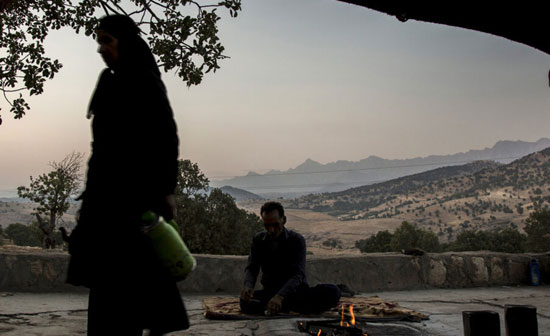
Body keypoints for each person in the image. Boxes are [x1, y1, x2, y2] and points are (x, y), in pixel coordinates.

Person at [65, 14, 188, 335]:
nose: (100, 49)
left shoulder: (145, 80)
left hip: (135, 202)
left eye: (107, 40)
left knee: (133, 289)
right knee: (108, 293)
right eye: (98, 42)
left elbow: (167, 138)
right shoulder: (109, 81)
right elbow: (100, 148)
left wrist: (166, 191)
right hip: (104, 203)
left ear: (125, 41)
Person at [240, 201, 341, 315]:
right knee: (244, 303)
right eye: (267, 226)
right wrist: (248, 286)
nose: (271, 230)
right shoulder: (258, 240)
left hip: (296, 292)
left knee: (333, 291)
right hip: (270, 292)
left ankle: (279, 307)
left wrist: (281, 296)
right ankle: (285, 308)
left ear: (284, 220)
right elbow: (252, 267)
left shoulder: (297, 240)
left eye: (275, 225)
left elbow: (298, 274)